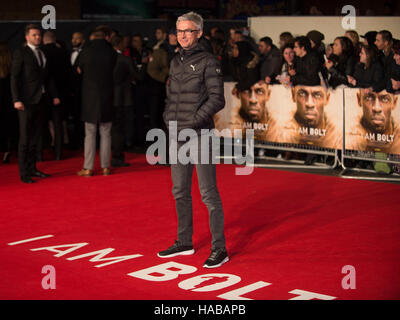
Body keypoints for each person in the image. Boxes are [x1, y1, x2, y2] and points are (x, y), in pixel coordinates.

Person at [158, 12, 228, 268]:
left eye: (188, 31)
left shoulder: (209, 61)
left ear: (199, 33)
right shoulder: (176, 60)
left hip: (200, 135)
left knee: (208, 194)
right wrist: (168, 118)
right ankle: (184, 242)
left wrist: (193, 121)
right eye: (179, 31)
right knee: (179, 191)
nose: (183, 35)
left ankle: (220, 248)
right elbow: (170, 94)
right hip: (176, 134)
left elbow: (217, 99)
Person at [11, 24, 60, 183]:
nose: (37, 37)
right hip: (25, 101)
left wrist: (54, 95)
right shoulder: (21, 53)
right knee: (25, 138)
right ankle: (23, 173)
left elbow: (48, 77)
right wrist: (16, 99)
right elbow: (15, 78)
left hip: (41, 100)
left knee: (36, 137)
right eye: (34, 35)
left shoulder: (43, 53)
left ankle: (33, 168)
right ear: (27, 37)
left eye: (38, 35)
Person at [76, 30, 117, 177]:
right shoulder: (111, 52)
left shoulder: (85, 52)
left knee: (90, 133)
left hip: (89, 97)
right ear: (105, 37)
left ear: (92, 38)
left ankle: (88, 167)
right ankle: (106, 167)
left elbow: (78, 69)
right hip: (107, 96)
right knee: (106, 133)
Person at [279, 85, 341, 150]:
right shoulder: (281, 132)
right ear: (293, 95)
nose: (309, 103)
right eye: (302, 94)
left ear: (327, 99)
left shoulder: (336, 137)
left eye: (317, 95)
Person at [41, 30, 70, 160]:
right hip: (62, 92)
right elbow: (69, 72)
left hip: (43, 94)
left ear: (43, 39)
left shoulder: (40, 52)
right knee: (58, 124)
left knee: (41, 124)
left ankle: (40, 154)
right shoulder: (63, 52)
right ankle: (59, 153)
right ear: (54, 39)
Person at [346, 89, 400, 154]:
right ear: (359, 99)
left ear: (394, 102)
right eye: (369, 98)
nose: (376, 108)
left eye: (385, 99)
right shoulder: (346, 138)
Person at [110, 34, 135, 168]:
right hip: (124, 98)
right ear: (120, 44)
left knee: (113, 129)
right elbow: (136, 75)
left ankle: (115, 155)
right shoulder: (125, 59)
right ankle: (118, 157)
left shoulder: (107, 59)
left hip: (110, 97)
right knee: (120, 129)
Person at [0, 41, 18, 164]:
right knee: (11, 127)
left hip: (3, 102)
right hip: (10, 101)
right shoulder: (12, 67)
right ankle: (9, 150)